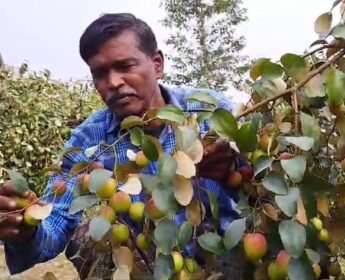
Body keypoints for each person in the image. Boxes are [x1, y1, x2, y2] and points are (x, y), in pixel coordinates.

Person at [0, 12, 247, 278]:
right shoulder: (89, 140)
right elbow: (56, 223)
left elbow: (263, 188)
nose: (113, 83)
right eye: (99, 73)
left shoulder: (210, 111)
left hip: (226, 258)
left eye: (125, 66)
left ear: (157, 64)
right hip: (150, 266)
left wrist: (235, 171)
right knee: (89, 236)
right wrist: (28, 230)